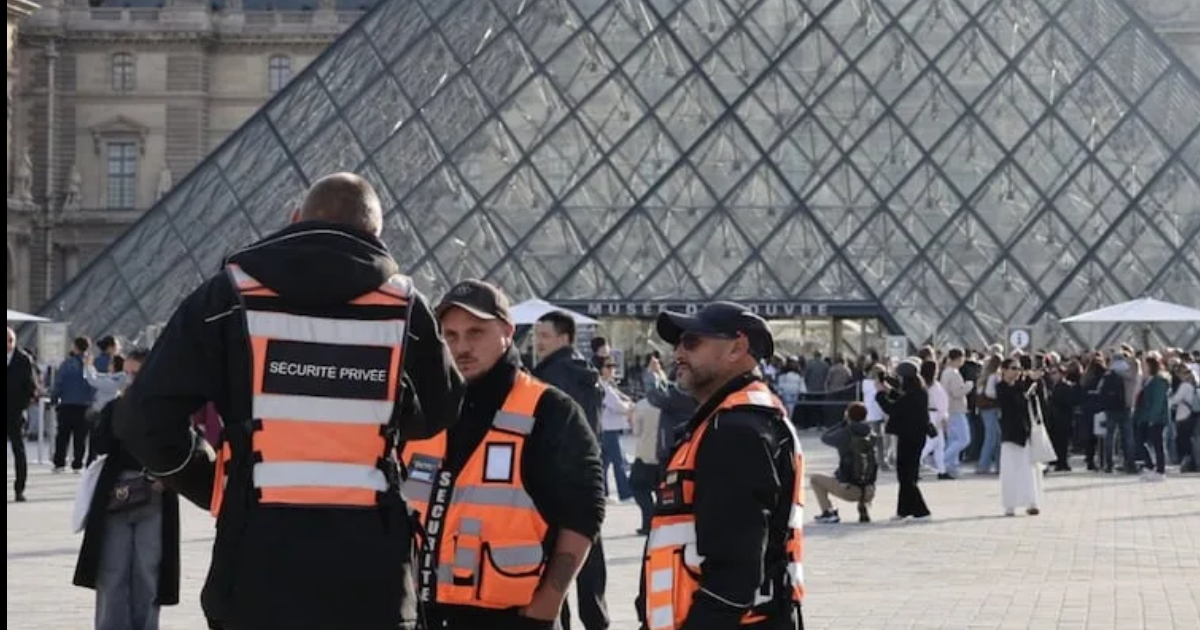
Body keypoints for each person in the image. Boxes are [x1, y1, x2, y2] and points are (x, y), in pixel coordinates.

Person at [113, 172, 466, 630]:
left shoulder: (229, 294)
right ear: (375, 234)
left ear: (295, 218)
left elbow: (144, 417)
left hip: (256, 562)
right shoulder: (404, 305)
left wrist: (212, 483)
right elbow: (441, 408)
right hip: (371, 571)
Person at [400, 280, 604, 630]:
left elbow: (584, 513)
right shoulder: (426, 409)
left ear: (508, 332)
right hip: (424, 613)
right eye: (450, 335)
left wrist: (548, 603)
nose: (462, 347)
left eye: (476, 332)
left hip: (514, 617)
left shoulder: (549, 409)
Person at [639, 302, 804, 630]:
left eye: (691, 342)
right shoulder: (737, 420)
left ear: (737, 348)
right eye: (678, 343)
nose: (677, 353)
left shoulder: (734, 431)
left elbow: (735, 573)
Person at [74, 348, 181, 630]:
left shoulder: (169, 411)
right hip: (116, 494)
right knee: (112, 571)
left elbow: (185, 449)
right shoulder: (116, 408)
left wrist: (165, 479)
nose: (131, 380)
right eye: (128, 374)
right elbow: (100, 446)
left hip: (154, 496)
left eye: (137, 373)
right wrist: (110, 416)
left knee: (148, 571)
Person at [531, 310, 610, 630]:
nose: (537, 343)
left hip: (553, 479)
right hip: (587, 476)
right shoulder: (587, 373)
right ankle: (597, 620)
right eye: (536, 336)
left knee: (555, 561)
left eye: (544, 336)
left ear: (564, 338)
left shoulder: (550, 376)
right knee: (588, 556)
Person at [876, 360, 932, 521]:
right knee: (905, 474)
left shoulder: (913, 395)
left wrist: (880, 394)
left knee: (907, 475)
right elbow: (900, 397)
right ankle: (904, 510)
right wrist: (888, 388)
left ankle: (921, 511)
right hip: (913, 436)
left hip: (910, 437)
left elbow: (893, 408)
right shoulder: (918, 391)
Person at [811, 401, 878, 524]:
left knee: (815, 479)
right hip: (869, 491)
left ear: (848, 415)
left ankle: (828, 512)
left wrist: (843, 423)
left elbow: (825, 437)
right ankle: (863, 506)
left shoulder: (845, 434)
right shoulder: (871, 434)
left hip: (849, 490)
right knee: (858, 468)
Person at [995, 358, 1043, 516]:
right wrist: (1028, 383)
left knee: (1028, 470)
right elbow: (1012, 402)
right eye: (1013, 368)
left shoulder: (1022, 385)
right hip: (1010, 434)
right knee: (1010, 471)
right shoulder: (1001, 387)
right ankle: (1010, 505)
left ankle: (1032, 502)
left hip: (1025, 432)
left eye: (1018, 368)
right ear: (1004, 370)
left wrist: (1032, 382)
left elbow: (1033, 402)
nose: (1017, 372)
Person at [53, 336, 97, 473]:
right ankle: (77, 464)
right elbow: (94, 385)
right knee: (81, 437)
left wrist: (54, 398)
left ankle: (60, 463)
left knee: (62, 435)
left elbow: (59, 383)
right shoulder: (90, 366)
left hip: (66, 405)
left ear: (75, 347)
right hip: (84, 406)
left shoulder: (67, 364)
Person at [7, 326, 39, 502]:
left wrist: (21, 406)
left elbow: (30, 386)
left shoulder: (23, 359)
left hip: (15, 412)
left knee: (18, 450)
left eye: (10, 340)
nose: (8, 344)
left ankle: (19, 488)